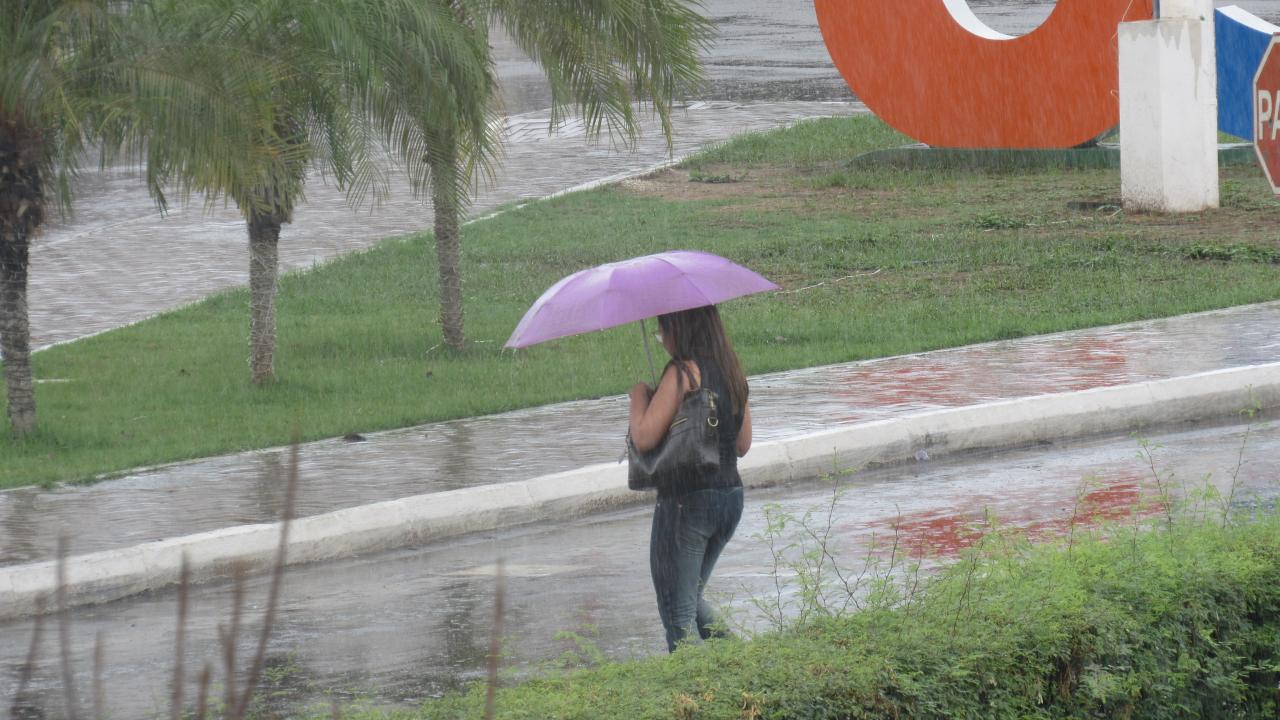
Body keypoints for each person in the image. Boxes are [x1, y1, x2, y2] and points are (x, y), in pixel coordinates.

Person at [628, 304, 752, 652]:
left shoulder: (682, 373)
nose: (662, 338)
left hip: (687, 502)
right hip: (730, 498)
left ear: (678, 329)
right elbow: (742, 445)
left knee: (677, 613)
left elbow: (644, 436)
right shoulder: (732, 373)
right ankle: (743, 662)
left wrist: (638, 397)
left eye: (662, 330)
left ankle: (695, 697)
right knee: (691, 599)